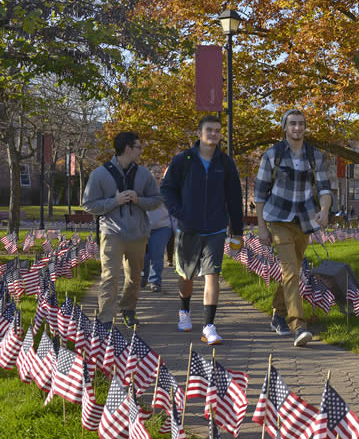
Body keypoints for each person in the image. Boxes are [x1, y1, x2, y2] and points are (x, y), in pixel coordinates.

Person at [160, 115, 244, 345]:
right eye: (209, 130)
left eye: (217, 131)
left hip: (215, 228)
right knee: (186, 276)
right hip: (188, 228)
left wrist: (237, 231)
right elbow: (167, 190)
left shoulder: (226, 164)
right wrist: (180, 213)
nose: (214, 134)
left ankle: (209, 326)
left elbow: (235, 198)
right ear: (199, 133)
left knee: (212, 275)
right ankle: (184, 311)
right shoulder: (183, 160)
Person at [254, 109, 333, 347]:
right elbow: (259, 193)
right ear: (285, 127)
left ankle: (278, 313)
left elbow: (325, 188)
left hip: (305, 220)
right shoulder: (273, 154)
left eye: (301, 124)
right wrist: (262, 227)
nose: (297, 128)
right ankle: (297, 324)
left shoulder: (314, 156)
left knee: (294, 270)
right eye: (292, 124)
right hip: (278, 218)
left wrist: (325, 210)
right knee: (290, 270)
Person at [82, 132, 162, 327]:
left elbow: (157, 200)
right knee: (110, 276)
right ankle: (105, 319)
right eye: (138, 147)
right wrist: (114, 201)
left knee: (135, 276)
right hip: (112, 232)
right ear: (128, 148)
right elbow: (88, 204)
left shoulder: (144, 174)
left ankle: (128, 309)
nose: (141, 151)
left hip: (138, 233)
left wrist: (139, 199)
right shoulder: (100, 174)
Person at [141, 165, 173, 293]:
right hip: (144, 227)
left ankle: (155, 281)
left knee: (157, 254)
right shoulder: (143, 190)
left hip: (163, 227)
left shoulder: (166, 190)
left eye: (159, 172)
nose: (157, 174)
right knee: (144, 256)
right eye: (154, 171)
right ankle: (143, 277)